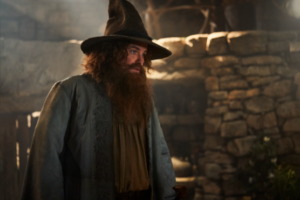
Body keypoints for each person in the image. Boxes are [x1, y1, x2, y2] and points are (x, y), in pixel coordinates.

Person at [21, 0, 187, 199]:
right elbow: (45, 159)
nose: (140, 62)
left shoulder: (142, 98)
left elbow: (160, 153)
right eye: (134, 51)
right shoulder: (70, 91)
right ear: (110, 52)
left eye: (144, 54)